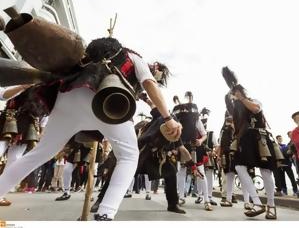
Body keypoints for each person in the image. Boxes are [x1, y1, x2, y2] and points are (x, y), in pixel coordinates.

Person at [0, 37, 182, 221]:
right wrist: (168, 118)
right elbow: (149, 84)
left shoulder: (97, 56)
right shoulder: (135, 58)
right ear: (156, 68)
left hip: (67, 97)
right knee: (129, 155)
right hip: (104, 98)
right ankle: (105, 214)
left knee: (37, 155)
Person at [223, 67, 283, 219]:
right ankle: (256, 202)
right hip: (243, 139)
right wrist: (230, 93)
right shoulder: (235, 108)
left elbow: (256, 109)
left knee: (265, 171)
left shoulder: (254, 100)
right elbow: (230, 108)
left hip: (259, 137)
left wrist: (242, 98)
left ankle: (271, 205)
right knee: (238, 166)